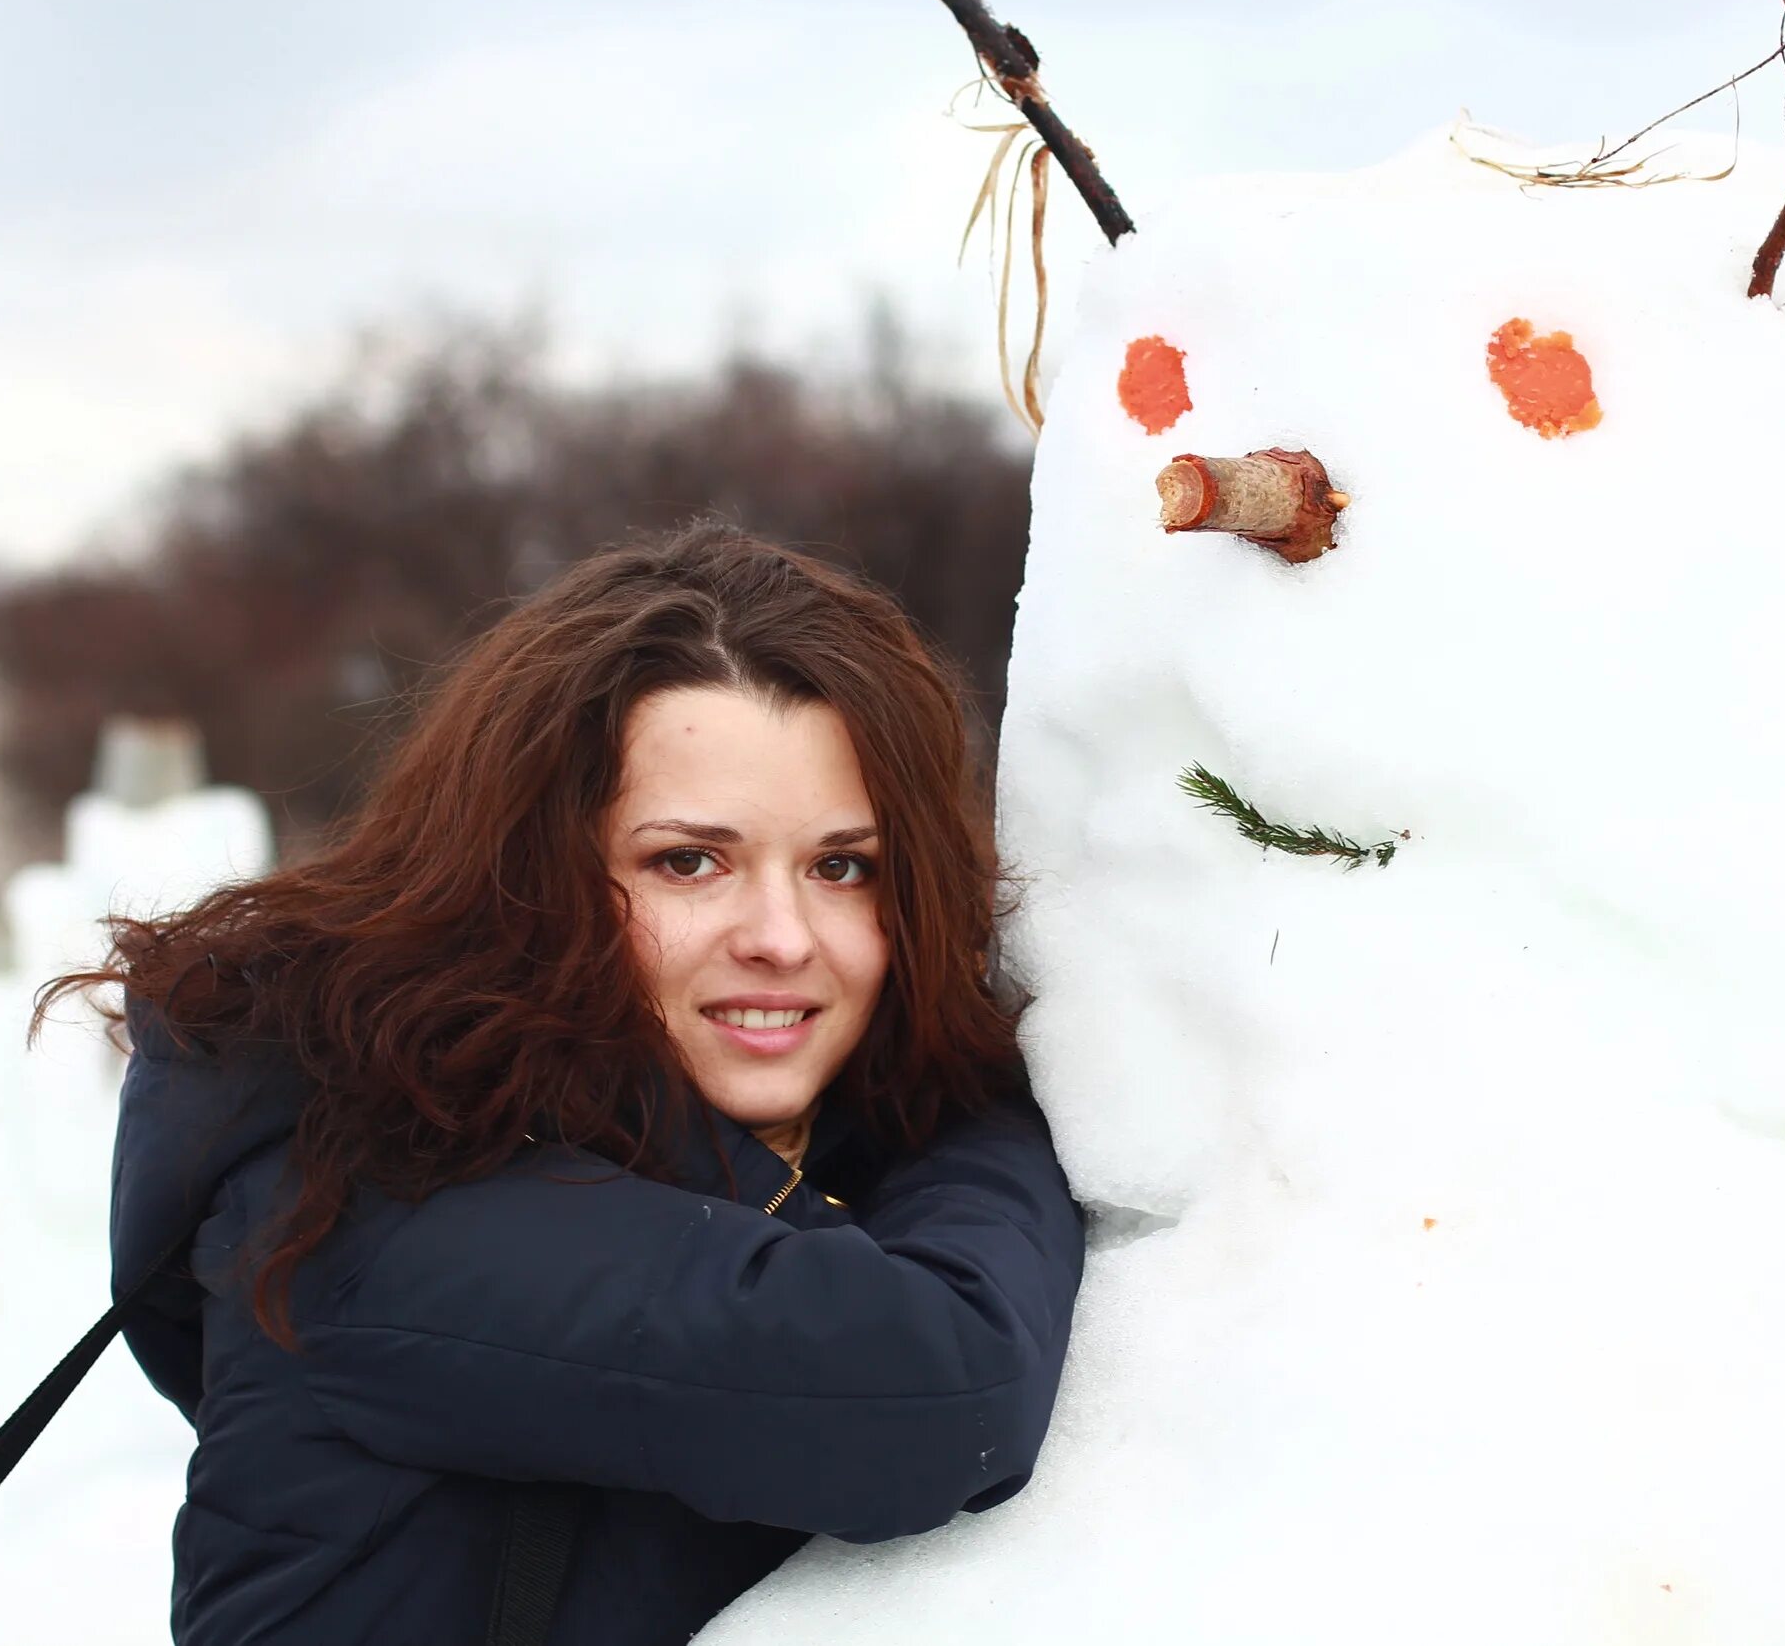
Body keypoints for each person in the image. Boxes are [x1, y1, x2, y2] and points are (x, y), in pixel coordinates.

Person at [55, 523, 1085, 1646]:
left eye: (842, 866)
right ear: (524, 879)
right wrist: (998, 1095)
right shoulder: (380, 1198)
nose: (782, 938)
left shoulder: (752, 1140)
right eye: (688, 861)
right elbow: (937, 1392)